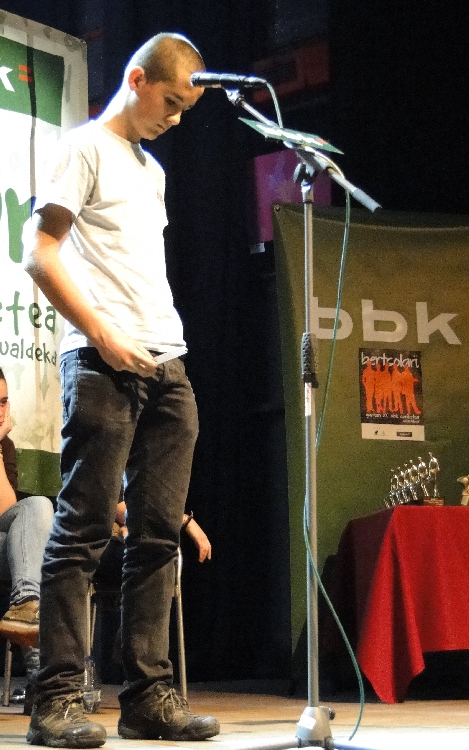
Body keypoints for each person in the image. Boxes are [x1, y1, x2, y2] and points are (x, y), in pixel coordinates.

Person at [22, 32, 217, 748]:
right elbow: (38, 253)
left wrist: (157, 345)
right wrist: (102, 335)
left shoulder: (152, 169)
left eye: (185, 109)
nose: (175, 117)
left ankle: (147, 698)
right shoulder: (83, 148)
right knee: (83, 530)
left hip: (168, 363)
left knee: (159, 536)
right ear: (136, 80)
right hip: (104, 362)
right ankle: (57, 699)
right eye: (169, 101)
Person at [0, 367, 55, 711]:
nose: (0, 411)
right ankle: (41, 680)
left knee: (38, 507)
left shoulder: (5, 446)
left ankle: (25, 603)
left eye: (4, 402)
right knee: (33, 550)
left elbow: (6, 510)